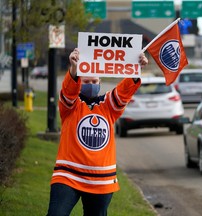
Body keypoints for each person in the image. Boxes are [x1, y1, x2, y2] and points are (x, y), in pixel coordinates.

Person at [47, 48, 148, 216]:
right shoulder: (70, 106)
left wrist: (136, 70)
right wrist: (74, 68)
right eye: (86, 81)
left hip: (101, 179)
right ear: (79, 82)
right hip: (68, 175)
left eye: (94, 81)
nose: (91, 85)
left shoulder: (108, 106)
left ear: (100, 81)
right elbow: (69, 91)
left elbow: (123, 92)